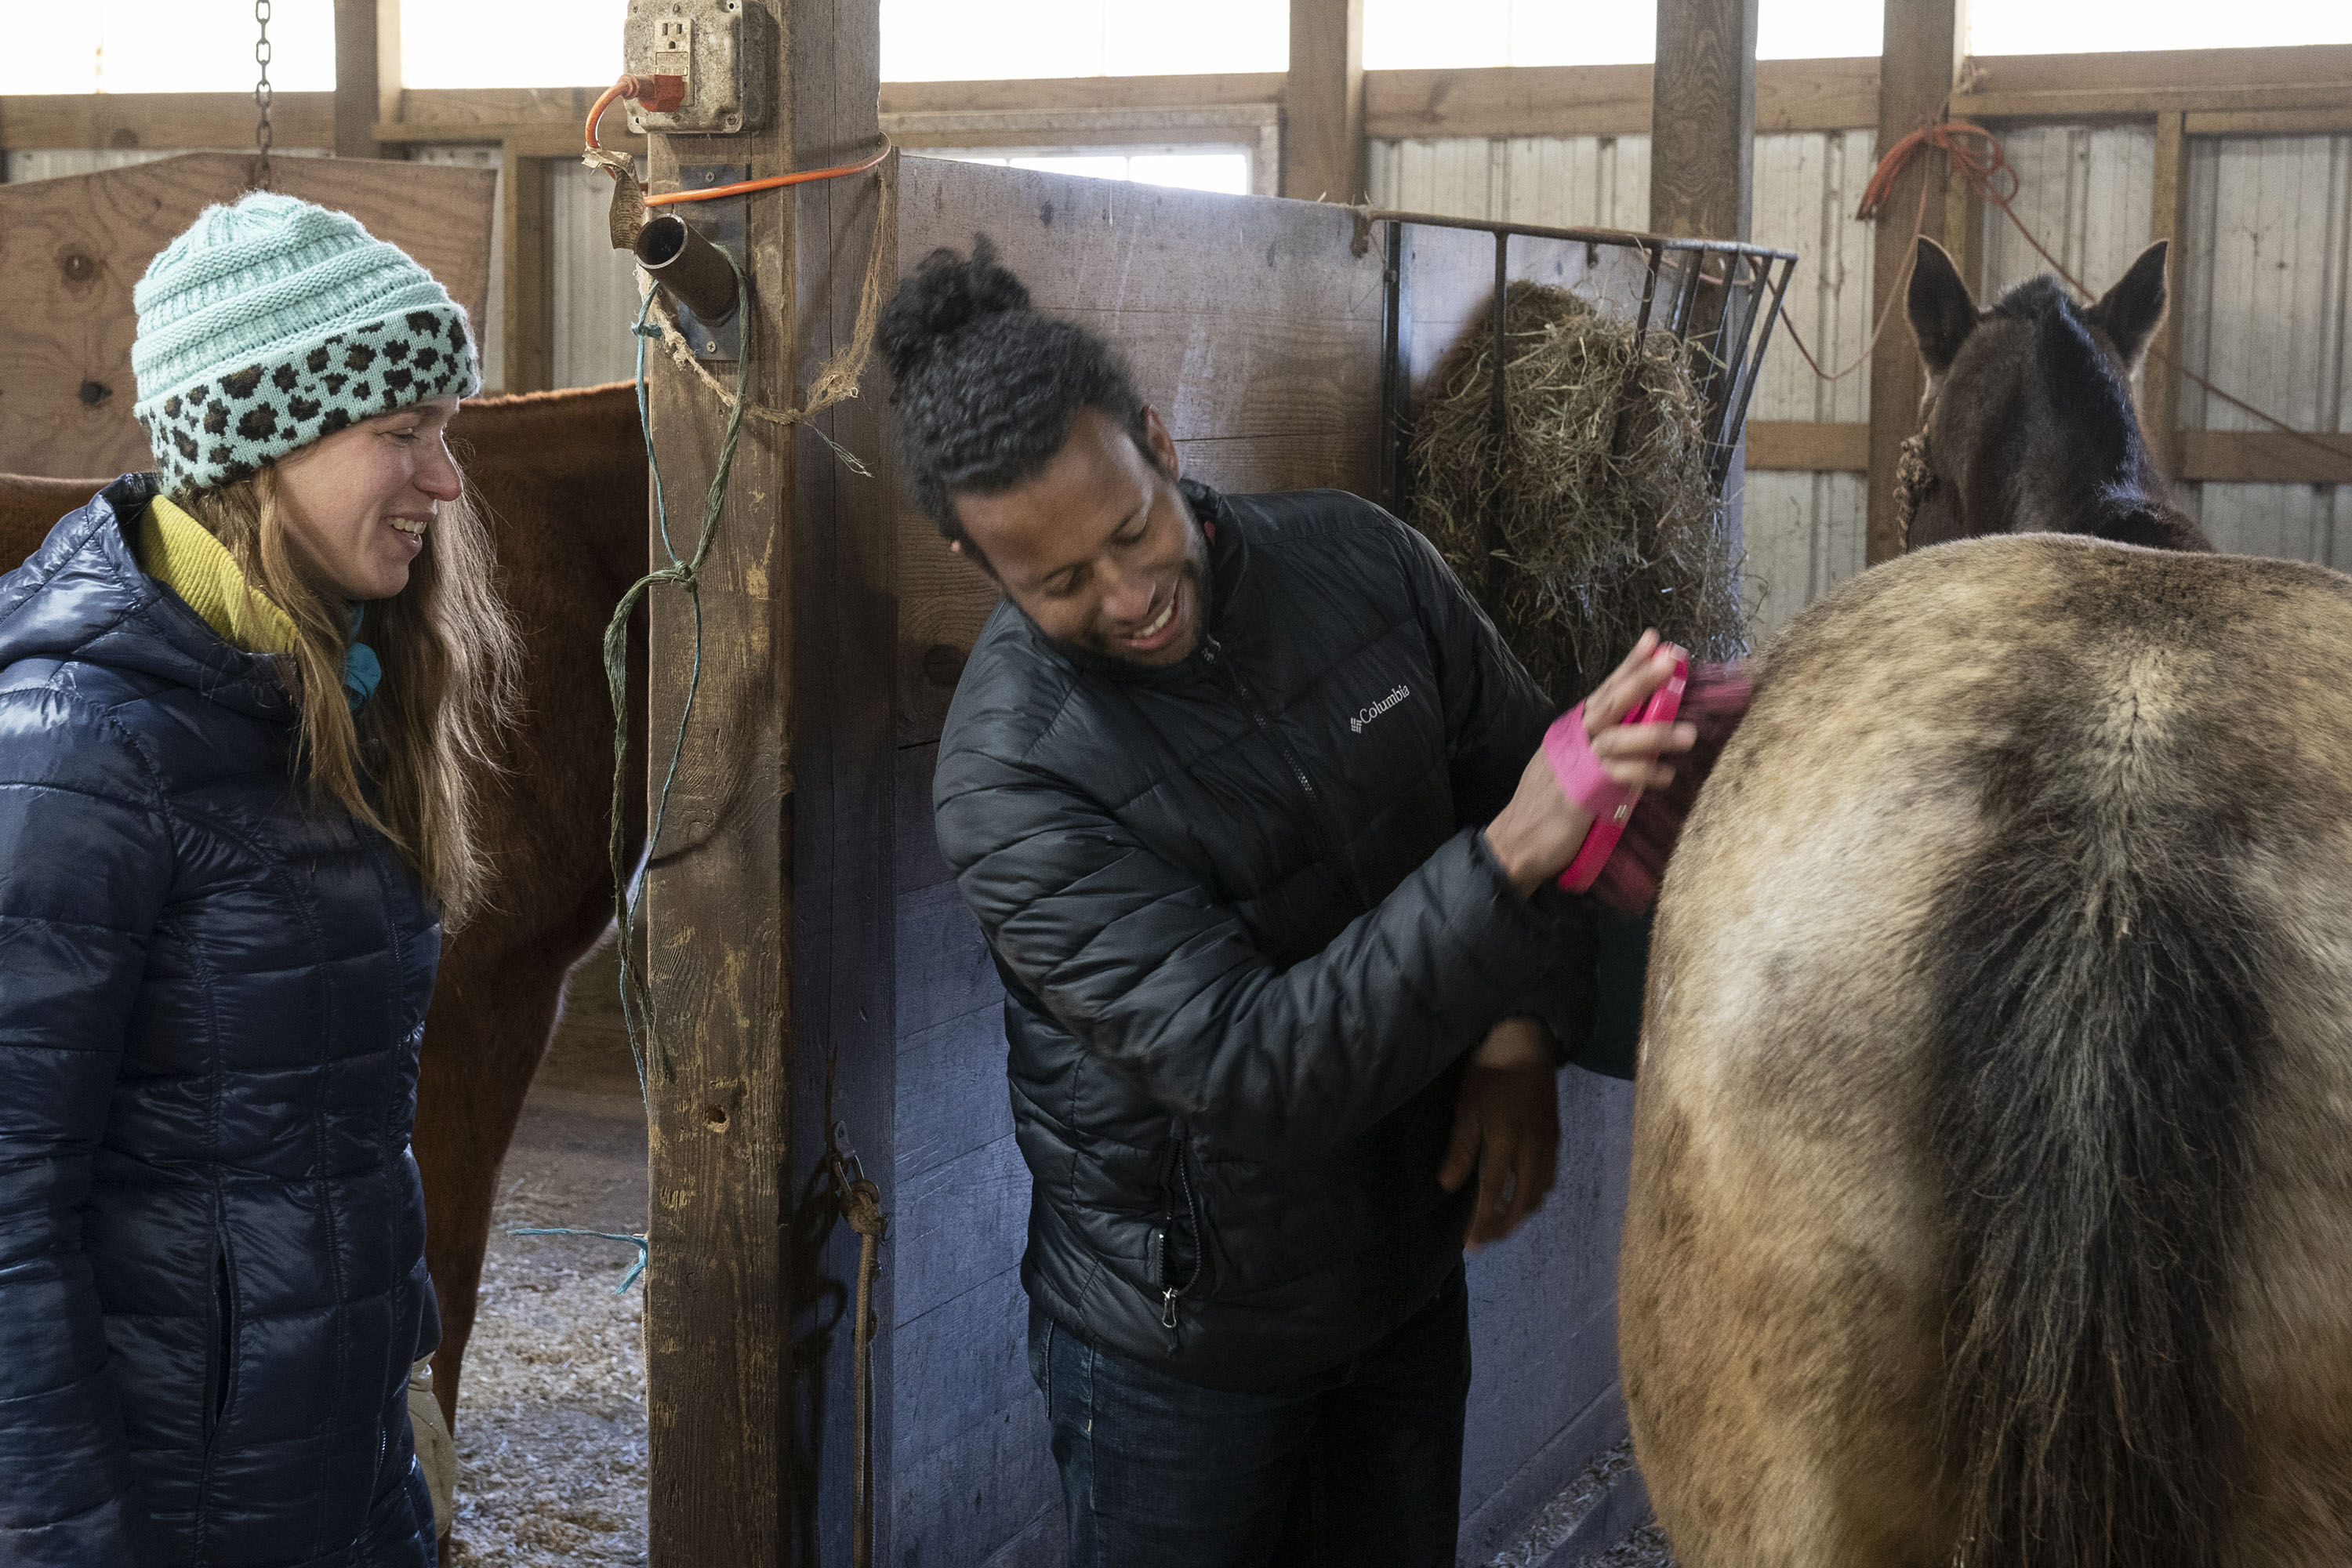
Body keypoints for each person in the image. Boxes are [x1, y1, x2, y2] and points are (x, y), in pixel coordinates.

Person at [883, 240, 1691, 1568]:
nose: (1129, 597)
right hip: (1184, 1345)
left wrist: (1518, 1034)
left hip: (1403, 1275)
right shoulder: (1012, 773)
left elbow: (1530, 788)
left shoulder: (1364, 564)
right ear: (984, 568)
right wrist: (1503, 860)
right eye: (1061, 584)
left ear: (1157, 441)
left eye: (1132, 531)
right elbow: (1260, 1065)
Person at [0, 191, 517, 1566]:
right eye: (400, 436)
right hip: (173, 1497)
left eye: (445, 435)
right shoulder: (83, 746)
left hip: (329, 1467)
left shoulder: (326, 697)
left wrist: (399, 1429)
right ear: (259, 443)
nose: (445, 482)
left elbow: (325, 1146)